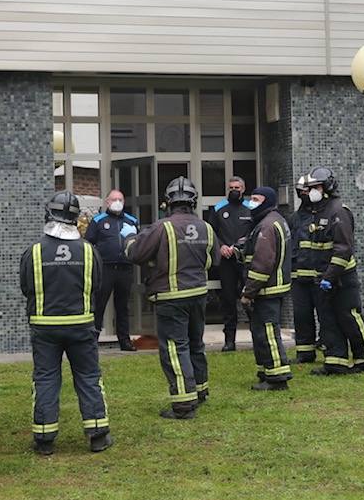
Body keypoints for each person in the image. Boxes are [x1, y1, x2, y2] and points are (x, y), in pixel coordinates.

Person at [20, 191, 113, 456]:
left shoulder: (34, 251)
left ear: (49, 213)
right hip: (82, 325)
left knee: (46, 378)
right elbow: (96, 284)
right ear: (75, 218)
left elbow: (26, 287)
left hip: (44, 325)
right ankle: (97, 435)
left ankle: (44, 439)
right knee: (88, 377)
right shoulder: (88, 250)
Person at [125, 176, 217, 419]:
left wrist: (129, 238)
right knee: (196, 344)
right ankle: (200, 390)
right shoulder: (206, 227)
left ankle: (184, 404)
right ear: (193, 201)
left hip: (171, 297)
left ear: (168, 202)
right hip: (198, 294)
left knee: (175, 349)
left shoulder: (161, 227)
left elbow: (135, 254)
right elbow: (213, 259)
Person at [295, 167, 364, 376]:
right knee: (328, 319)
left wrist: (330, 276)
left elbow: (343, 248)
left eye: (315, 187)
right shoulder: (316, 211)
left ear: (327, 187)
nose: (311, 191)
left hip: (342, 277)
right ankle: (336, 362)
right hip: (323, 277)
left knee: (350, 317)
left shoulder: (338, 211)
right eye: (310, 187)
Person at [235, 187, 293, 391]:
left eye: (256, 199)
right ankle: (266, 371)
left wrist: (248, 292)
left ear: (267, 201)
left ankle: (277, 378)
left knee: (267, 333)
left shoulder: (267, 226)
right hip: (271, 288)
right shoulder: (273, 220)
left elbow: (262, 264)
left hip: (266, 290)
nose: (251, 202)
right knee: (261, 333)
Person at [85, 189, 139, 351]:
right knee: (99, 305)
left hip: (125, 268)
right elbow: (88, 244)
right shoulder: (98, 221)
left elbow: (139, 242)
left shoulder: (131, 221)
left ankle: (125, 341)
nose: (117, 202)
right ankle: (93, 340)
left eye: (120, 199)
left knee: (123, 306)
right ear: (107, 202)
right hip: (105, 269)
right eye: (114, 199)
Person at [210, 176, 255, 352]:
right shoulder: (218, 208)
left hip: (245, 261)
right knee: (228, 300)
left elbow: (254, 232)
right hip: (226, 262)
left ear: (243, 189)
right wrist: (221, 247)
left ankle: (256, 336)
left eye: (237, 187)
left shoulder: (251, 208)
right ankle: (230, 341)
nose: (234, 190)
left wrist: (239, 247)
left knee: (249, 299)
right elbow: (211, 231)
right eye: (231, 187)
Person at [289, 173, 321, 363]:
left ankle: (330, 348)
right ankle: (304, 352)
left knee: (325, 315)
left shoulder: (325, 215)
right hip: (298, 277)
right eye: (300, 192)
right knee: (301, 316)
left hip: (319, 276)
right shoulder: (295, 218)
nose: (303, 195)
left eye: (306, 191)